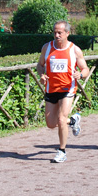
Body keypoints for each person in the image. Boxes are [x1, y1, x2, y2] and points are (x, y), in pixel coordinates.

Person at [37, 20, 89, 163]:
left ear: (67, 33)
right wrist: (42, 74)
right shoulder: (47, 47)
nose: (57, 35)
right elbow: (40, 65)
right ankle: (72, 121)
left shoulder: (74, 50)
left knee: (60, 119)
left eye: (60, 32)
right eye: (55, 32)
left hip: (68, 88)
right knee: (51, 123)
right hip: (51, 88)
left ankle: (62, 151)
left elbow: (85, 69)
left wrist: (81, 74)